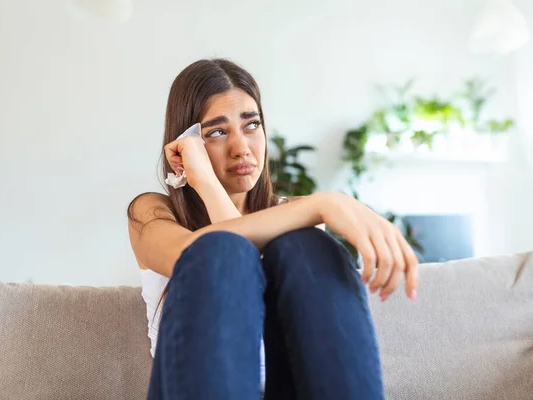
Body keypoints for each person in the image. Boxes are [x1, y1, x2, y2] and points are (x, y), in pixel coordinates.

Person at [127, 58, 419, 400]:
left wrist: (318, 208)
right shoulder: (151, 212)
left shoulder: (296, 221)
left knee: (305, 244)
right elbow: (203, 255)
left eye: (251, 125)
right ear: (185, 143)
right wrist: (204, 181)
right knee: (221, 252)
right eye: (217, 132)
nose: (242, 148)